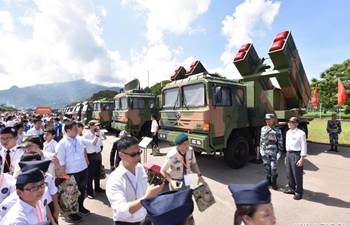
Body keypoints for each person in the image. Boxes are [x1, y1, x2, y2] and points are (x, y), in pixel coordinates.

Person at [106, 136, 163, 225]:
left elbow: (145, 188)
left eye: (139, 152)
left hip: (145, 217)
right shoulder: (115, 179)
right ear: (121, 155)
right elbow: (121, 211)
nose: (138, 157)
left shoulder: (140, 168)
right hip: (127, 222)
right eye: (133, 154)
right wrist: (146, 198)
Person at [56, 121, 90, 222]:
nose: (77, 130)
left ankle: (80, 207)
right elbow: (60, 160)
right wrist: (63, 174)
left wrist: (86, 162)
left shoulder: (79, 139)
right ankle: (71, 213)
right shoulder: (62, 143)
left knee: (82, 190)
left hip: (83, 169)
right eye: (75, 129)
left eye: (77, 128)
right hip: (70, 172)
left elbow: (84, 151)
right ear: (68, 130)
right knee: (70, 194)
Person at [283, 117, 307, 200]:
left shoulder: (301, 133)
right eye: (288, 121)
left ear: (297, 124)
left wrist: (302, 159)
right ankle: (292, 188)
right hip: (289, 154)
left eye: (292, 122)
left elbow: (304, 146)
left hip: (297, 154)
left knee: (297, 174)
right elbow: (287, 146)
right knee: (289, 173)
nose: (289, 123)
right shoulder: (288, 132)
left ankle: (299, 192)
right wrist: (286, 156)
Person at [259, 114, 283, 190]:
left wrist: (279, 152)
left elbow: (280, 141)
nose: (267, 121)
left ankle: (274, 183)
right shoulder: (263, 128)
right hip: (265, 151)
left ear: (273, 120)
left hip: (274, 151)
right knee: (267, 167)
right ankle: (268, 181)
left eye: (269, 119)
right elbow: (261, 140)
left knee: (273, 168)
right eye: (266, 119)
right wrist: (261, 150)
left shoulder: (277, 130)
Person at [83, 120, 104, 198]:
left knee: (97, 173)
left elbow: (101, 143)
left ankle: (97, 188)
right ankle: (89, 192)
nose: (97, 127)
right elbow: (93, 143)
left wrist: (99, 152)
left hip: (97, 155)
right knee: (90, 175)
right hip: (90, 156)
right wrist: (97, 135)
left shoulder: (97, 133)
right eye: (96, 125)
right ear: (91, 126)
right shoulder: (86, 135)